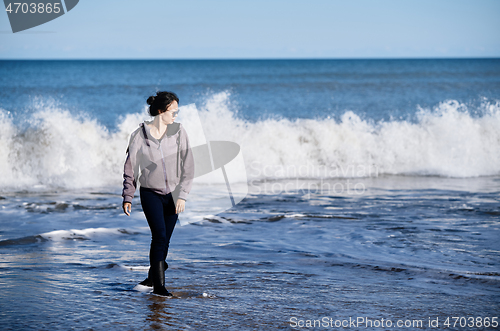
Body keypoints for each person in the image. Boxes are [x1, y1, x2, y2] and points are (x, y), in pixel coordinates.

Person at [122, 91, 194, 296]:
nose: (176, 115)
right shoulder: (139, 136)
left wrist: (182, 195)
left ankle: (154, 275)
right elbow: (130, 168)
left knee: (165, 240)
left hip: (173, 194)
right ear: (161, 111)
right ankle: (159, 288)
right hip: (150, 193)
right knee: (159, 236)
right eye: (173, 111)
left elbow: (188, 165)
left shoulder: (179, 132)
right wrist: (128, 196)